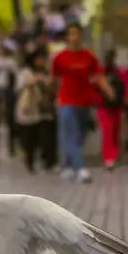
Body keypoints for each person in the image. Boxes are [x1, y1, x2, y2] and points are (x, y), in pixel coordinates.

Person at [51, 22, 114, 183]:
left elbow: (99, 76)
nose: (74, 37)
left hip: (84, 102)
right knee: (71, 134)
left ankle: (69, 166)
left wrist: (109, 91)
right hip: (66, 101)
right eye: (71, 34)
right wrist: (53, 97)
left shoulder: (89, 56)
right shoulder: (59, 58)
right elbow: (54, 79)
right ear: (67, 37)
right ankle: (80, 169)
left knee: (80, 136)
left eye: (77, 34)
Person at [15, 51, 56, 173]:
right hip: (29, 109)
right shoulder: (26, 72)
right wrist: (34, 80)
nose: (41, 62)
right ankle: (30, 161)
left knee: (39, 137)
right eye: (39, 59)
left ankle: (41, 160)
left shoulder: (46, 72)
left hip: (42, 109)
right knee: (29, 137)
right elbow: (20, 87)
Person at [95, 49, 126, 169]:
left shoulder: (118, 72)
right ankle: (109, 157)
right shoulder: (100, 72)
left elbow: (123, 87)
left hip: (116, 107)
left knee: (115, 132)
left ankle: (114, 155)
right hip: (104, 106)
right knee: (108, 131)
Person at [0, 45, 20, 160]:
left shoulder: (11, 62)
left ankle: (11, 146)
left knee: (10, 119)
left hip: (7, 91)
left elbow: (15, 75)